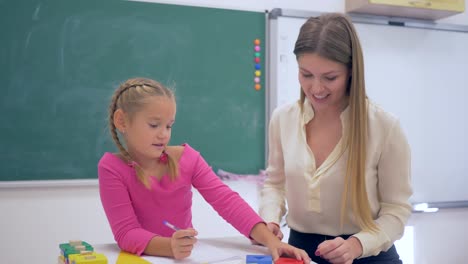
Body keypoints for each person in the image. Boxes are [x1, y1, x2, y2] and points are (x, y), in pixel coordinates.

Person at [97, 77, 311, 262]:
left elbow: (226, 201)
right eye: (154, 125)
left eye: (169, 126)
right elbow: (126, 233)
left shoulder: (187, 159)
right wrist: (169, 246)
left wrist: (271, 241)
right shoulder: (112, 169)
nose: (164, 134)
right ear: (122, 121)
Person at [259, 13, 412, 264]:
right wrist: (270, 220)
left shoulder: (385, 127)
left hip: (368, 255)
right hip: (300, 253)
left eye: (330, 78)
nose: (316, 89)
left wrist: (356, 245)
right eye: (306, 74)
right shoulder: (283, 119)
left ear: (351, 71)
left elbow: (397, 211)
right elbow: (275, 184)